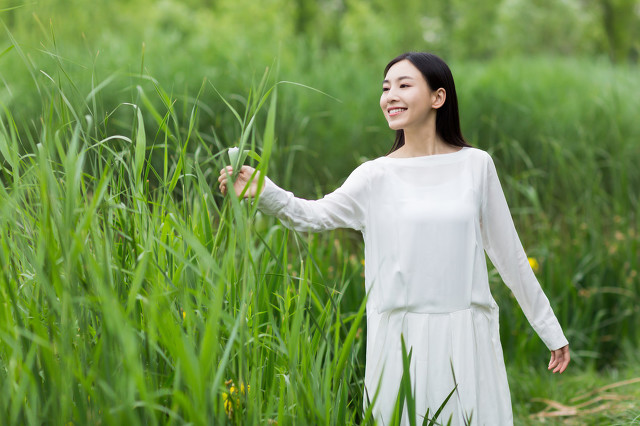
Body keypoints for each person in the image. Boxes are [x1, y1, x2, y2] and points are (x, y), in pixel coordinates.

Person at [218, 52, 570, 425]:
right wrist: (266, 192)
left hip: (466, 335)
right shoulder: (375, 176)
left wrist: (549, 328)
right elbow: (312, 216)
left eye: (404, 85)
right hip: (401, 339)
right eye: (386, 88)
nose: (390, 96)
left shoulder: (476, 165)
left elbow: (509, 254)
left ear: (438, 97)